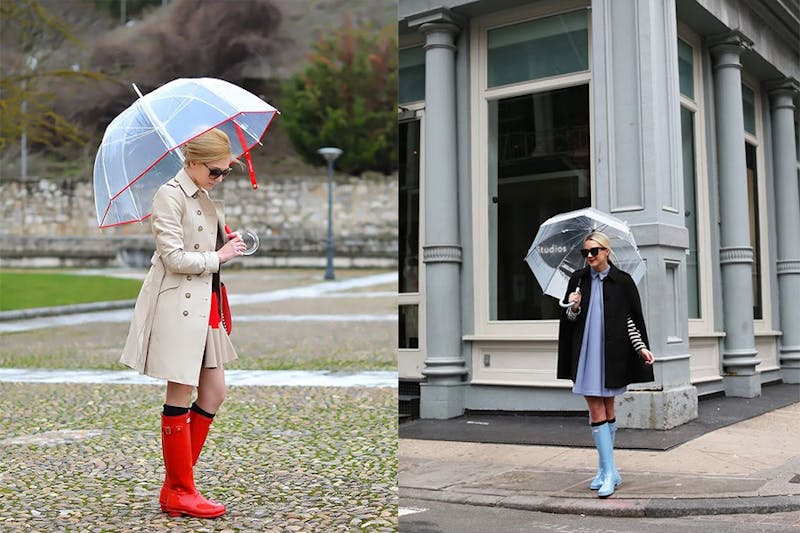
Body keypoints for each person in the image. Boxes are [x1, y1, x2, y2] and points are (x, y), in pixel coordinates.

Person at [120, 128, 247, 518]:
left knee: (214, 393)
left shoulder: (203, 194)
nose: (220, 177)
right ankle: (179, 489)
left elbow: (202, 245)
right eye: (215, 171)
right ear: (191, 163)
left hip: (204, 306)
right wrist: (220, 256)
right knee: (180, 393)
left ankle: (177, 485)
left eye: (226, 172)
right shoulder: (168, 196)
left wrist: (225, 240)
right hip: (178, 307)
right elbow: (174, 258)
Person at [556, 231, 655, 498]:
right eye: (585, 252)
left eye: (594, 251)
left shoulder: (622, 282)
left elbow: (631, 321)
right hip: (587, 352)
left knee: (608, 406)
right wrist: (573, 306)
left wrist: (642, 348)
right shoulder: (577, 280)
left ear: (606, 252)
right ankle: (610, 471)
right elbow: (569, 320)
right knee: (595, 407)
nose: (589, 256)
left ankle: (607, 471)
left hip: (612, 353)